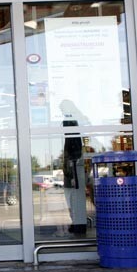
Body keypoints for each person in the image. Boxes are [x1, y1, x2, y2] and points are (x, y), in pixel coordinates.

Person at [60, 100, 87, 235]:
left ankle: (78, 223)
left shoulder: (70, 122)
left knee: (72, 197)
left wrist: (71, 168)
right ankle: (76, 222)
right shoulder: (74, 121)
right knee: (72, 198)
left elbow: (73, 147)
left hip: (73, 168)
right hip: (72, 166)